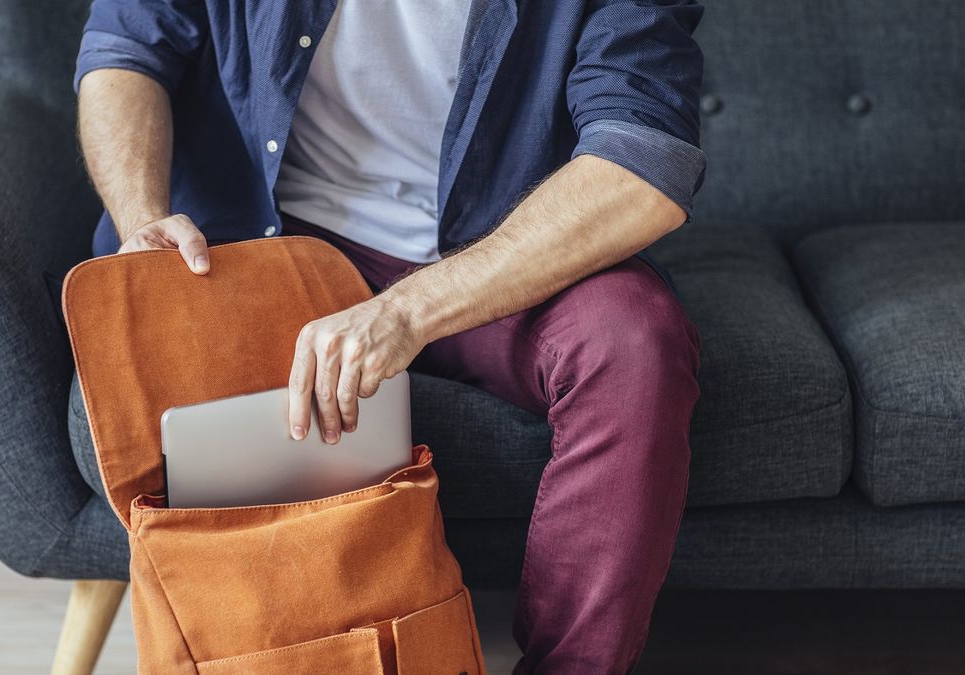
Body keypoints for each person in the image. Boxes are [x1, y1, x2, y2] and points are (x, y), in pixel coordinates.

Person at [75, 1, 705, 671]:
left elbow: (643, 164)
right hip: (278, 240)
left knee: (634, 345)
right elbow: (125, 47)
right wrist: (142, 217)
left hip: (502, 246)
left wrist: (408, 312)